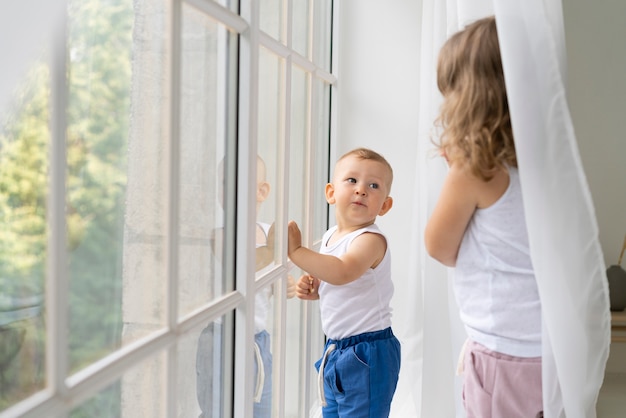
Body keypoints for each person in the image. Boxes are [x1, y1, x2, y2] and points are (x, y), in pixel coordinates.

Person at [424, 16, 543, 418]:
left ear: (468, 98)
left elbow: (439, 246)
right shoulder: (542, 161)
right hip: (548, 346)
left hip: (501, 351)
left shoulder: (475, 169)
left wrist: (456, 168)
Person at [287, 147, 401, 418]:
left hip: (368, 352)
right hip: (336, 349)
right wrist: (315, 289)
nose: (361, 190)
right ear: (331, 193)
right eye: (352, 180)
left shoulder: (370, 240)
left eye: (373, 186)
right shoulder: (331, 236)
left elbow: (342, 272)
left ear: (384, 205)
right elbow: (338, 281)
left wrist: (297, 253)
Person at [196, 155, 295, 418]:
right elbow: (243, 264)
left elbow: (273, 281)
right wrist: (274, 252)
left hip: (257, 341)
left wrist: (285, 284)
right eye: (225, 182)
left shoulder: (266, 231)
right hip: (220, 339)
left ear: (262, 191)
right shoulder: (220, 234)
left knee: (260, 410)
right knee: (218, 410)